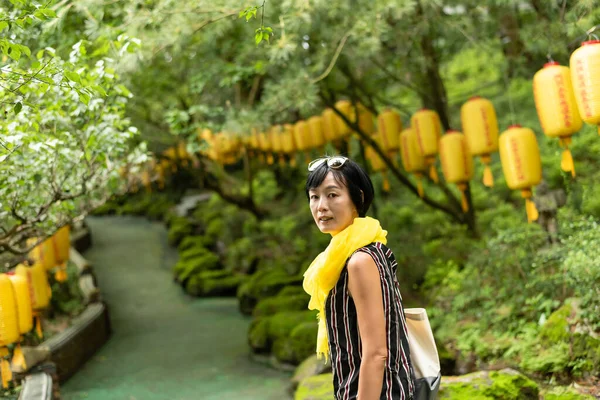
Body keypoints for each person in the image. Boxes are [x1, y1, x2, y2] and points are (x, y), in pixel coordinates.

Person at [302, 156, 415, 400]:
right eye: (314, 196)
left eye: (332, 195)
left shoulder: (359, 261)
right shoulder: (360, 251)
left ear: (358, 198)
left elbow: (376, 353)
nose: (321, 206)